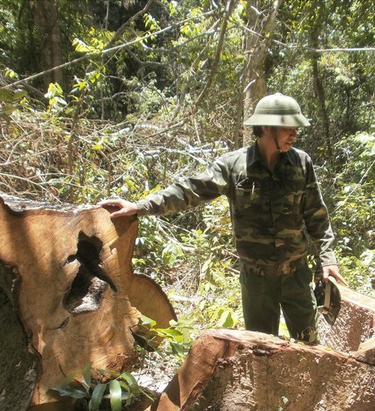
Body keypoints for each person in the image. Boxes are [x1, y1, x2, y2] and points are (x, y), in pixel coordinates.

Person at [101, 93, 346, 343]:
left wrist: (328, 259)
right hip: (256, 281)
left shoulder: (301, 163)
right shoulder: (233, 166)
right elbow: (190, 190)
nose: (294, 133)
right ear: (265, 127)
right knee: (261, 350)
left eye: (296, 128)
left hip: (296, 275)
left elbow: (316, 215)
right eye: (288, 128)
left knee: (309, 345)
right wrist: (141, 206)